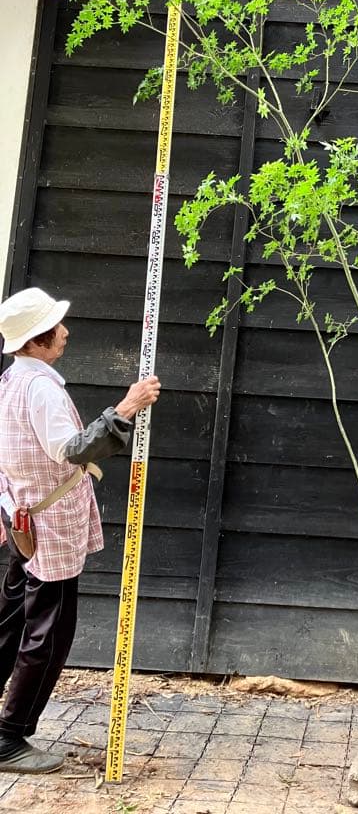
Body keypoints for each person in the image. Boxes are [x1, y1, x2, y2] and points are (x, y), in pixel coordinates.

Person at [0, 287, 160, 773]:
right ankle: (8, 737)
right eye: (56, 327)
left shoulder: (10, 380)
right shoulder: (40, 388)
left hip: (22, 513)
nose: (65, 332)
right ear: (35, 341)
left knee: (8, 622)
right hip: (48, 524)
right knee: (47, 633)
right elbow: (71, 449)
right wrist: (127, 407)